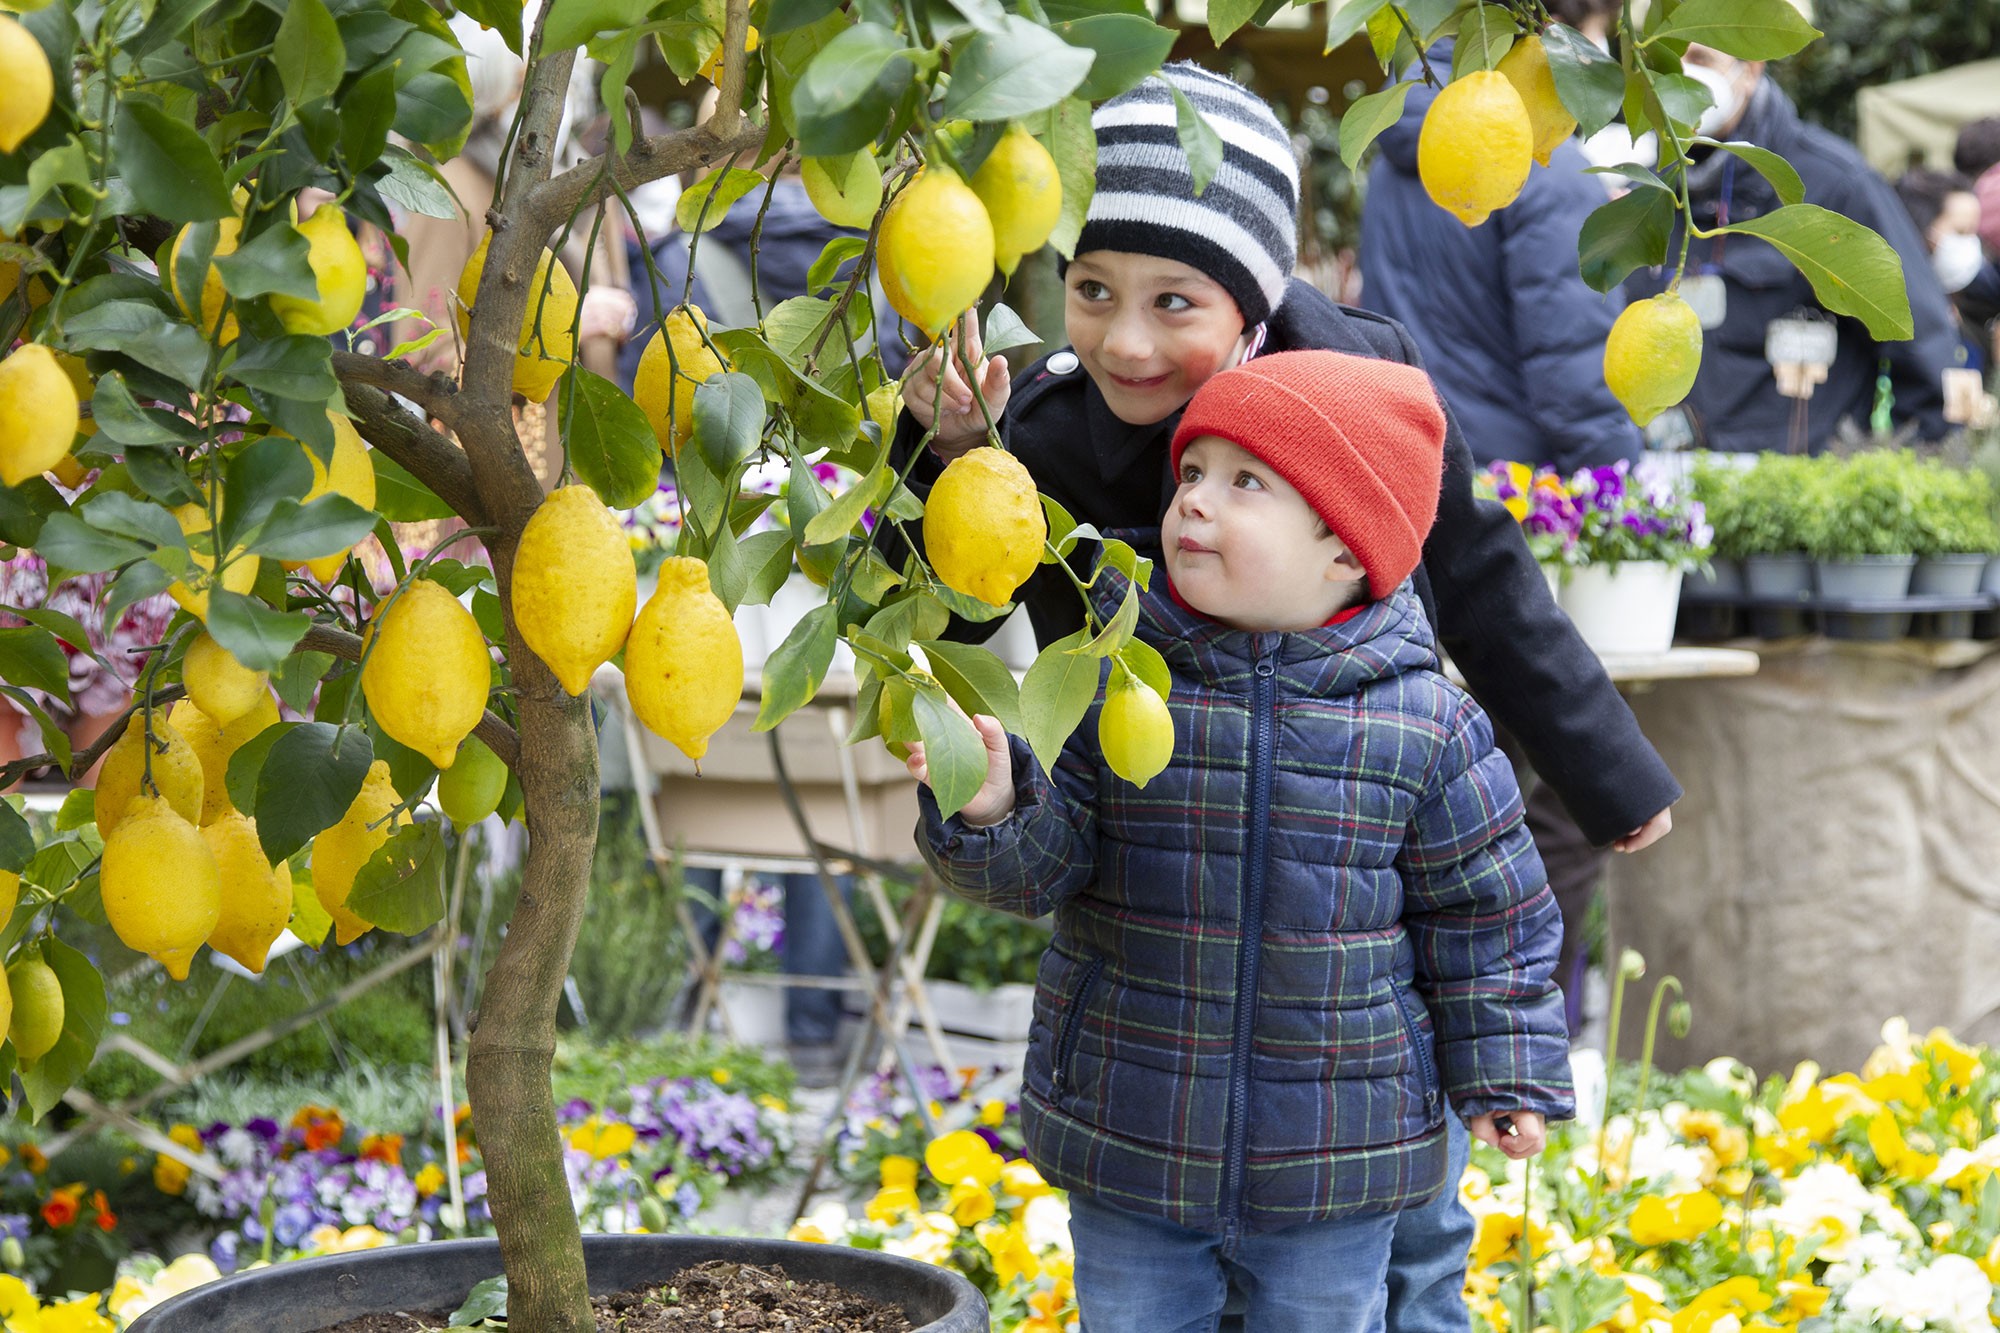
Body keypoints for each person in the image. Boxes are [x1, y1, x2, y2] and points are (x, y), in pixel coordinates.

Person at [892, 61, 1676, 1332]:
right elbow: (944, 598)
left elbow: (1480, 581)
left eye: (1173, 302)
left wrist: (1607, 773)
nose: (1125, 341)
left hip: (1356, 764)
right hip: (1158, 788)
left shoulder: (1359, 380)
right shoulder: (1035, 420)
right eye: (1090, 293)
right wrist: (939, 453)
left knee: (1397, 1199)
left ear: (1251, 297)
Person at [906, 349, 1573, 1333]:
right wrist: (992, 805)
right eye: (1190, 475)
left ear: (1344, 546)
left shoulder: (1424, 723)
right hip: (1133, 1123)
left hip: (1332, 1154)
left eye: (1243, 482)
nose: (1192, 505)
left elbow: (1488, 917)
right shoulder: (1115, 679)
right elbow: (1048, 867)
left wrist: (1505, 1066)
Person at [1358, 0, 1643, 1033]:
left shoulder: (1414, 141)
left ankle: (1427, 1023)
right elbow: (1574, 379)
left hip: (1406, 488)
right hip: (1513, 509)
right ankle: (1525, 1032)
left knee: (1432, 785)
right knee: (1556, 800)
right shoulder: (1539, 165)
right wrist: (1632, 496)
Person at [1621, 43, 1960, 451]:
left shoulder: (1834, 185)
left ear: (1750, 70)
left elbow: (1917, 336)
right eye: (1666, 62)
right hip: (1673, 481)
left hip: (1798, 487)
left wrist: (1894, 469)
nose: (1682, 76)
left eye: (1700, 59)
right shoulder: (1649, 189)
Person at [1359, 0, 1646, 476]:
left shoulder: (1399, 150)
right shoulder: (1548, 169)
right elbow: (1574, 365)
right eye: (1596, 33)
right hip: (1512, 486)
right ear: (1552, 32)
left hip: (1405, 463)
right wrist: (1611, 477)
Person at [1893, 168, 2000, 369]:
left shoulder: (1968, 312)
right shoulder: (1892, 313)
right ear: (1921, 229)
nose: (1970, 243)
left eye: (1973, 232)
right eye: (1960, 231)